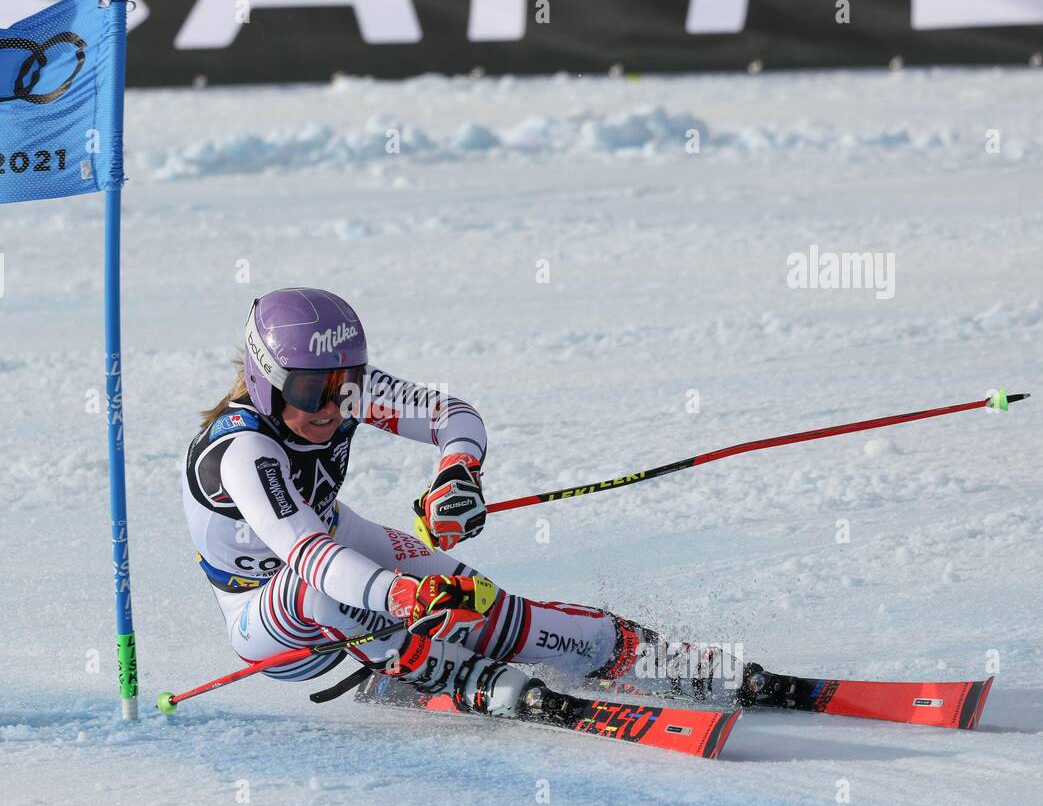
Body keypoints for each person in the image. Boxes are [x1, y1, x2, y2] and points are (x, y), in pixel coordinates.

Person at [182, 287, 722, 719]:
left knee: (488, 608)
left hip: (338, 547)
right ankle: (455, 675)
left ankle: (629, 651)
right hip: (268, 623)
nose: (332, 405)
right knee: (322, 591)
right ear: (265, 382)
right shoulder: (243, 451)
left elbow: (449, 413)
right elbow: (311, 557)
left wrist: (458, 471)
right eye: (309, 391)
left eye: (346, 384)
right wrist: (400, 597)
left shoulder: (344, 391)